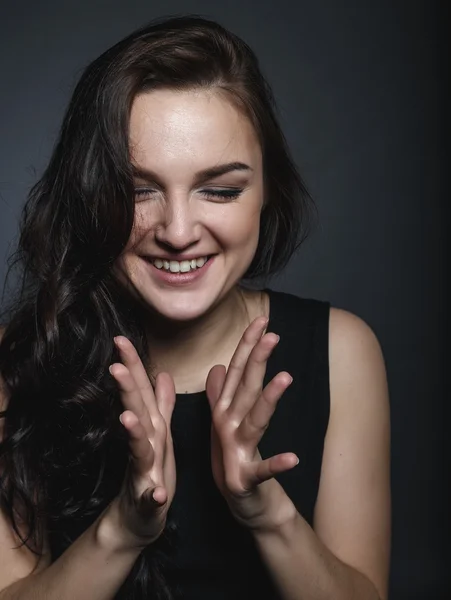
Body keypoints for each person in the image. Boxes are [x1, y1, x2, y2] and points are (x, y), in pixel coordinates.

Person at [0, 14, 391, 600]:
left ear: (267, 192)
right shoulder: (18, 358)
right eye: (137, 191)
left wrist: (264, 513)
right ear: (89, 197)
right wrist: (124, 528)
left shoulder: (343, 350)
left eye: (221, 189)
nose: (178, 232)